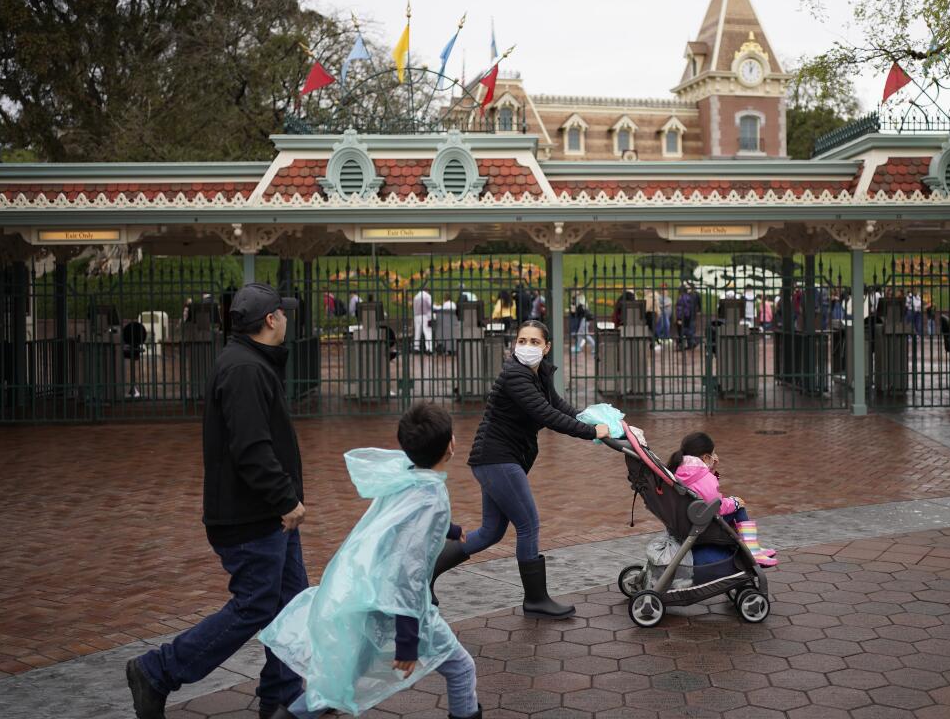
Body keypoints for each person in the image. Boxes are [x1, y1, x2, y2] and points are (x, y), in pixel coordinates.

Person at [127, 284, 307, 719]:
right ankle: (158, 670)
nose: (287, 319)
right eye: (283, 313)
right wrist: (286, 499)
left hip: (267, 515)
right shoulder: (245, 369)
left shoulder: (250, 362)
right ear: (270, 320)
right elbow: (251, 448)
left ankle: (281, 695)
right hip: (254, 517)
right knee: (255, 607)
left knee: (291, 603)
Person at [258, 403, 480, 719]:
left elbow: (404, 522)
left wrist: (450, 529)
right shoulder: (431, 498)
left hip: (370, 596)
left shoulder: (406, 478)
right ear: (451, 446)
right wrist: (408, 639)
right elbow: (408, 571)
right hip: (400, 607)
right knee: (461, 669)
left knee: (340, 679)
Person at [430, 320, 610, 618]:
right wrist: (591, 433)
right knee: (528, 524)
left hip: (496, 460)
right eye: (522, 340)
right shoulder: (515, 375)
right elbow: (546, 415)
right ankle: (536, 599)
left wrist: (590, 418)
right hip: (497, 459)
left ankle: (425, 572)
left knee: (491, 532)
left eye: (534, 342)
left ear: (546, 347)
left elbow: (558, 406)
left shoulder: (537, 374)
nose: (527, 346)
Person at [666, 432, 777, 567]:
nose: (715, 457)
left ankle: (751, 547)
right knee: (739, 507)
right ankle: (752, 550)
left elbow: (703, 492)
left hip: (686, 521)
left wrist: (711, 470)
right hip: (702, 524)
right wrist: (735, 502)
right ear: (706, 457)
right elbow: (716, 505)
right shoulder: (702, 476)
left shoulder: (679, 469)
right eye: (713, 454)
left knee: (733, 504)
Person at [413, 287, 433, 353]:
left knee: (417, 332)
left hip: (416, 316)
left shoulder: (416, 296)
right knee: (427, 332)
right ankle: (429, 348)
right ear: (427, 291)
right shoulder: (427, 296)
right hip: (425, 315)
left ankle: (416, 348)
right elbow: (431, 306)